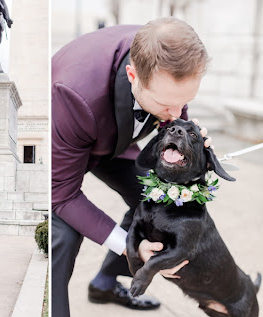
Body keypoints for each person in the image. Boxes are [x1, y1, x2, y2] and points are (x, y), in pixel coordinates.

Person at [52, 17, 212, 316]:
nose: (176, 114)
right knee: (64, 235)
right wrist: (130, 245)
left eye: (185, 101)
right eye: (167, 104)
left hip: (114, 142)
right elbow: (61, 193)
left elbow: (176, 117)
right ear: (133, 75)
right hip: (62, 148)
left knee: (156, 199)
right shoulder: (73, 94)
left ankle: (104, 283)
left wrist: (192, 145)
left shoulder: (163, 53)